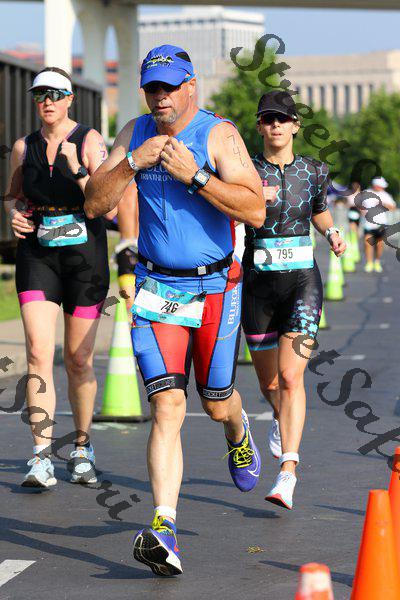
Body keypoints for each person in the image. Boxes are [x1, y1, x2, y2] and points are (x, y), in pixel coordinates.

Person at [85, 44, 265, 576]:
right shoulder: (133, 133)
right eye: (152, 88)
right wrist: (131, 164)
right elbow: (94, 203)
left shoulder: (218, 135)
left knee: (215, 403)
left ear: (190, 87)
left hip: (213, 287)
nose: (160, 97)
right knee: (167, 407)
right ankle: (164, 528)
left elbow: (256, 209)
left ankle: (238, 431)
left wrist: (196, 176)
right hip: (156, 287)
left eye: (169, 87)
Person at [5, 67, 110, 488]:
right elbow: (13, 195)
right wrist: (13, 214)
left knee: (78, 359)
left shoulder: (89, 141)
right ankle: (41, 455)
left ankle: (82, 446)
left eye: (54, 94)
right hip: (38, 256)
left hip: (85, 260)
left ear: (69, 99)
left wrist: (77, 168)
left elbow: (106, 203)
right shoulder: (23, 147)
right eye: (40, 95)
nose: (46, 101)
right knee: (37, 353)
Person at [241, 91, 346, 510]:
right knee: (270, 384)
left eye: (283, 119)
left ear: (296, 125)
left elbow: (318, 209)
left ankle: (288, 471)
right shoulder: (245, 169)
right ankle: (280, 419)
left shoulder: (314, 170)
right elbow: (228, 211)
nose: (276, 126)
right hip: (257, 286)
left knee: (290, 377)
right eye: (268, 119)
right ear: (259, 125)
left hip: (303, 283)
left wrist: (331, 232)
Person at [361, 176, 396, 273]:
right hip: (368, 224)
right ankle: (369, 262)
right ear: (375, 185)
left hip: (381, 223)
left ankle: (377, 261)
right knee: (367, 243)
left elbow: (393, 207)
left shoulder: (385, 195)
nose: (383, 188)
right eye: (381, 186)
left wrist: (383, 204)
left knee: (379, 244)